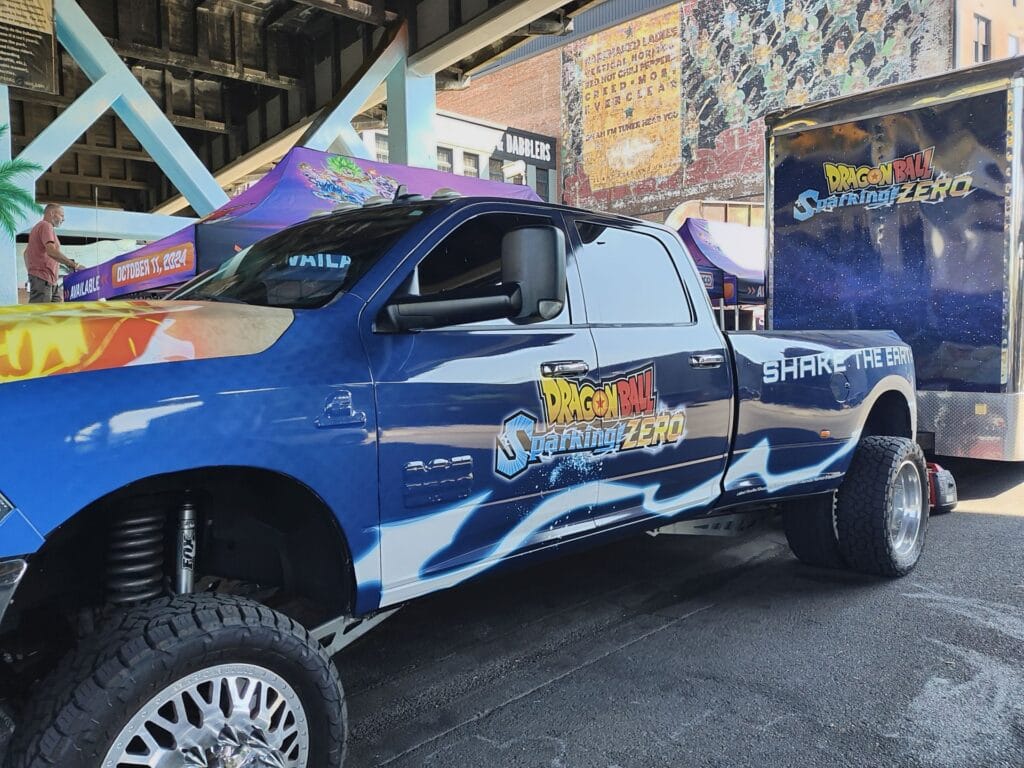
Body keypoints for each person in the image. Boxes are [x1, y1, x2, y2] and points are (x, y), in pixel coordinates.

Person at [24, 204, 81, 303]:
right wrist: (74, 265)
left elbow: (26, 253)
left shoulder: (38, 228)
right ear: (52, 213)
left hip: (49, 280)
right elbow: (51, 251)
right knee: (41, 315)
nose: (64, 219)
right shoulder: (46, 225)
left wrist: (32, 272)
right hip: (43, 279)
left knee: (56, 312)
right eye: (62, 215)